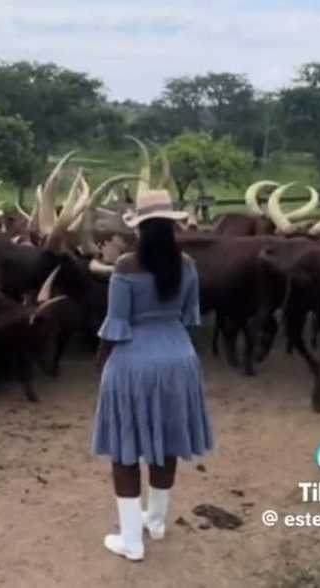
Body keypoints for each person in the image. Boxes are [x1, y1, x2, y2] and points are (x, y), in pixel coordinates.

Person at [91, 188, 214, 562]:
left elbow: (116, 325)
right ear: (171, 226)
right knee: (168, 442)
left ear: (139, 229)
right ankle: (156, 522)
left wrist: (101, 364)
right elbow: (190, 317)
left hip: (132, 362)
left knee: (125, 452)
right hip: (179, 359)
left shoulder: (126, 267)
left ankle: (131, 540)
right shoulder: (188, 265)